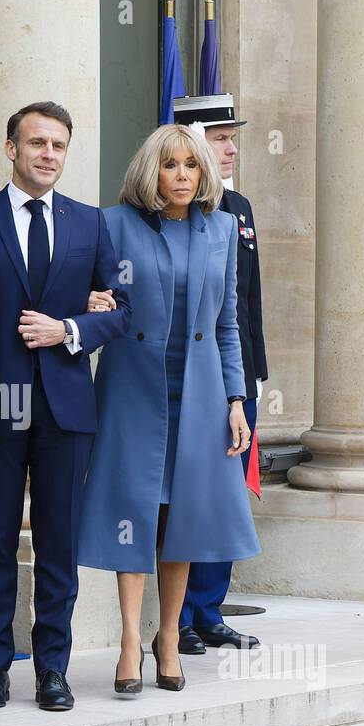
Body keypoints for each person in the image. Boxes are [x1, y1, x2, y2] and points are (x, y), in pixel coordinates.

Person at [0, 102, 130, 712]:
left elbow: (123, 311)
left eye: (58, 145)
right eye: (37, 143)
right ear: (10, 148)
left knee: (57, 542)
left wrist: (70, 330)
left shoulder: (90, 225)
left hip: (65, 407)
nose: (48, 154)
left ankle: (52, 668)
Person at [79, 123, 257, 694]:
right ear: (150, 172)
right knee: (137, 508)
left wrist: (236, 398)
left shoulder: (223, 229)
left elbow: (227, 323)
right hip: (133, 388)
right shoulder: (114, 224)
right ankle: (132, 640)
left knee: (184, 517)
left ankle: (170, 636)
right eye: (170, 165)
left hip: (202, 395)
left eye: (192, 165)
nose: (182, 175)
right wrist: (91, 302)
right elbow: (93, 302)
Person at [176, 93, 265, 654]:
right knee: (186, 494)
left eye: (233, 137)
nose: (230, 148)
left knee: (226, 493)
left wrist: (254, 374)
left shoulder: (238, 207)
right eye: (219, 137)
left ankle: (209, 608)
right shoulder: (174, 211)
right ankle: (177, 614)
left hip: (235, 371)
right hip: (190, 375)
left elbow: (245, 300)